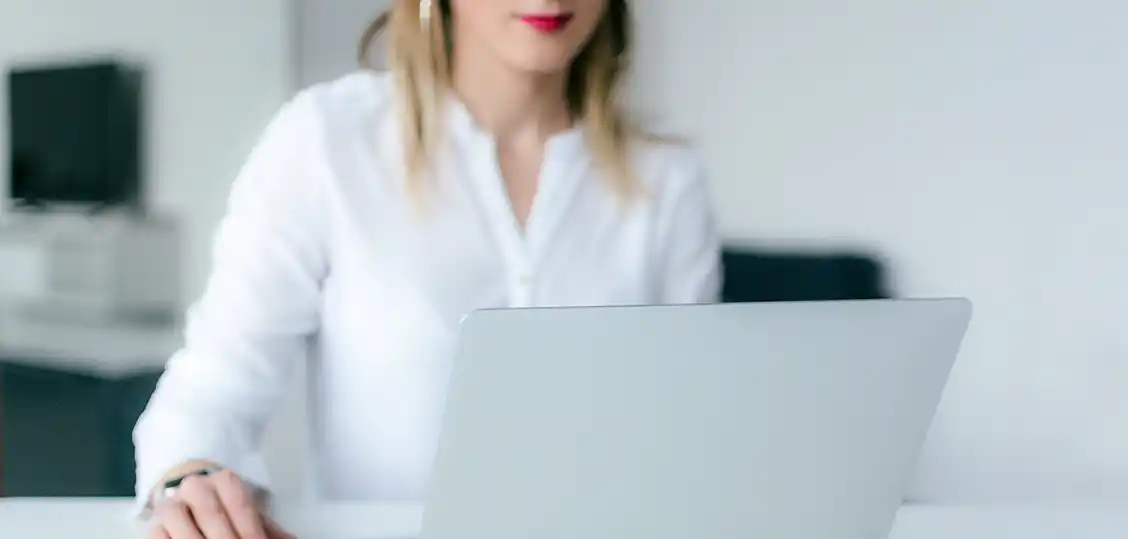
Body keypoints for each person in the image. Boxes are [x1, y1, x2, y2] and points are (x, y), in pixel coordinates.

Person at [135, 0, 722, 537]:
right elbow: (210, 393)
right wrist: (190, 480)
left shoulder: (667, 179)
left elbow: (692, 433)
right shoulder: (327, 141)